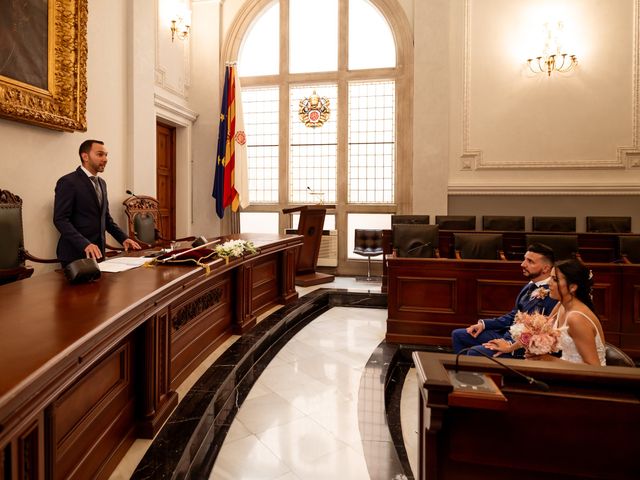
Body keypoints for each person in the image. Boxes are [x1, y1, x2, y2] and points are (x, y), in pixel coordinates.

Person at [485, 259, 606, 366]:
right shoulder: (561, 305)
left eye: (554, 279)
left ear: (573, 287)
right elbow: (538, 332)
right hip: (565, 369)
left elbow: (594, 367)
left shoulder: (576, 318)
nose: (549, 283)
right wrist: (509, 347)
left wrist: (548, 359)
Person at [451, 243, 557, 357]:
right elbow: (514, 315)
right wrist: (484, 324)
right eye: (524, 260)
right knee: (458, 335)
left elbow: (544, 333)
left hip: (523, 345)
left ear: (546, 268)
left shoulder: (553, 294)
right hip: (507, 334)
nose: (523, 264)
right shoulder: (530, 285)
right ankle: (466, 373)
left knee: (475, 352)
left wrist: (510, 345)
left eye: (530, 261)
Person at [54, 139, 141, 266]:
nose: (105, 159)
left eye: (106, 155)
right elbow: (60, 220)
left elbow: (106, 219)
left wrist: (124, 238)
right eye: (100, 154)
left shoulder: (102, 183)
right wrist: (85, 244)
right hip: (75, 255)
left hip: (99, 254)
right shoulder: (68, 182)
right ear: (85, 156)